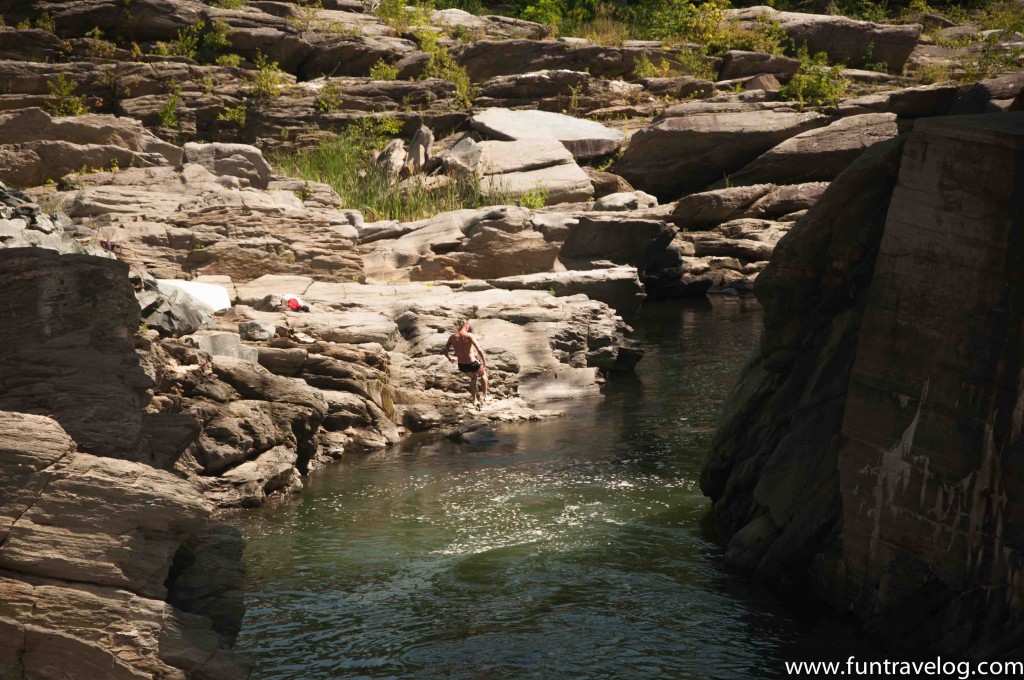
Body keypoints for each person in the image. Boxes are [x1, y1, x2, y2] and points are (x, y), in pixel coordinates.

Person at [443, 320, 488, 407]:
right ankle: (485, 396)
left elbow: (445, 350)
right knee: (483, 374)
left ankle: (474, 400)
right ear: (466, 325)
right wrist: (484, 362)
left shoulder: (452, 337)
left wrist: (450, 358)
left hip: (462, 365)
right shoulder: (469, 335)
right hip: (472, 363)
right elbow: (479, 349)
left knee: (473, 378)